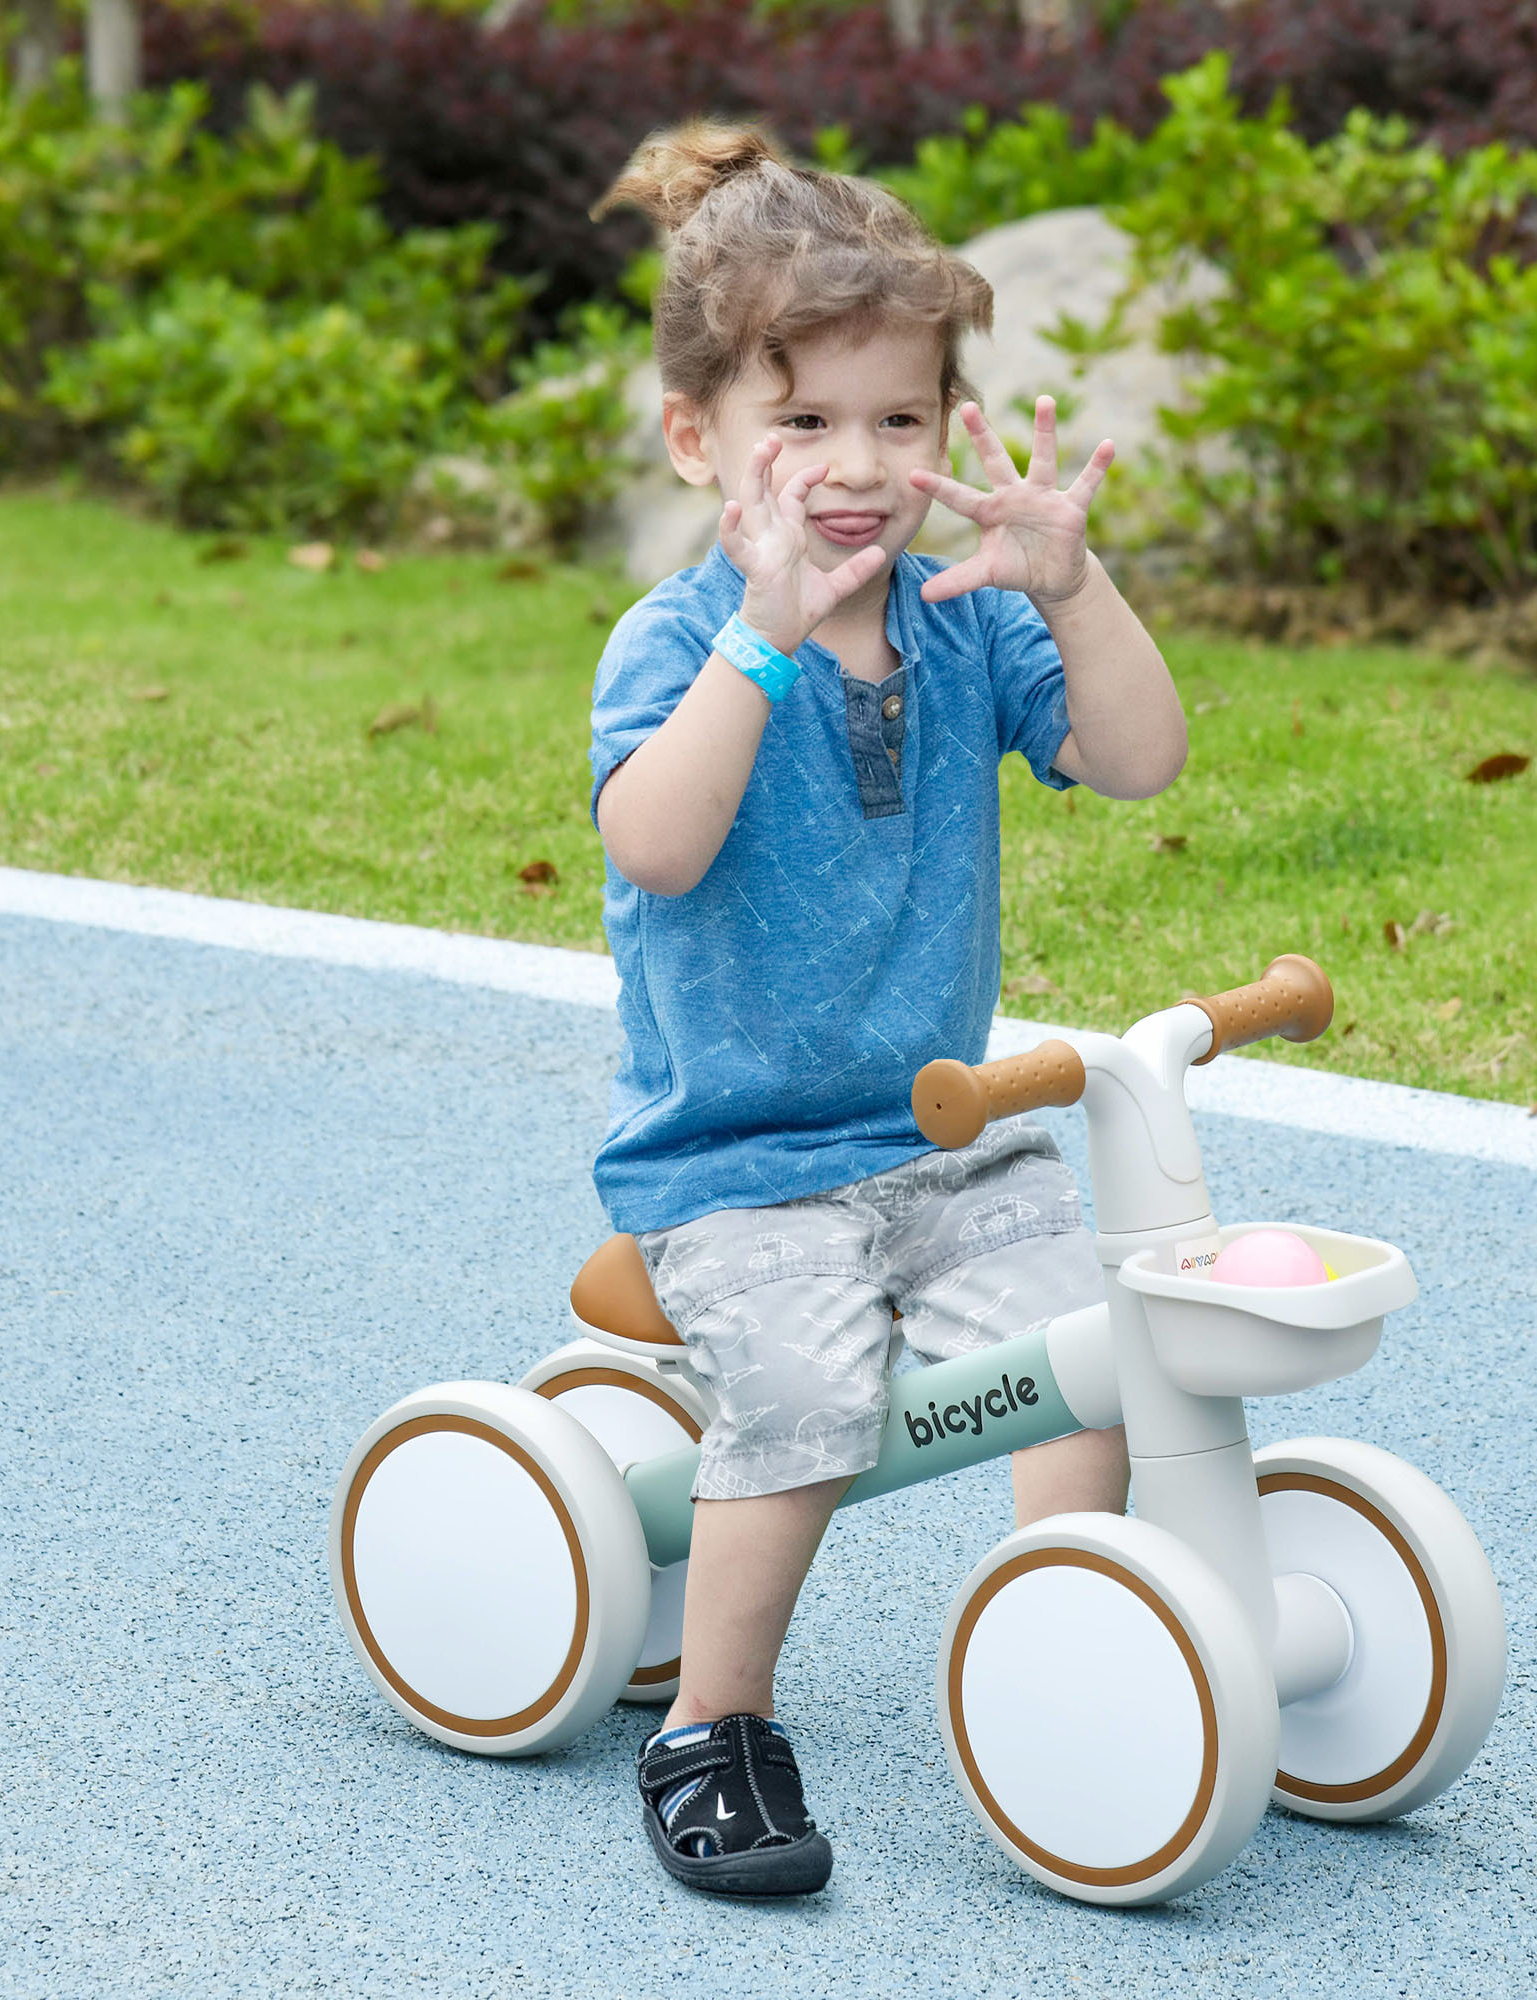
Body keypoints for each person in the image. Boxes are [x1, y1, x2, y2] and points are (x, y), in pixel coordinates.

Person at [587, 120, 1189, 1897]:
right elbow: (659, 844)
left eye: (899, 421)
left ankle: (1066, 1656)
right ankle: (716, 1723)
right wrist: (762, 641)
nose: (856, 467)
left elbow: (1139, 759)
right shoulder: (678, 640)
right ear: (699, 437)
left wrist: (1075, 587)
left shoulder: (965, 620)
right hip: (737, 1163)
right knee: (804, 1392)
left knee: (1092, 1352)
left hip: (943, 1137)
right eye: (804, 424)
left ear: (945, 431)